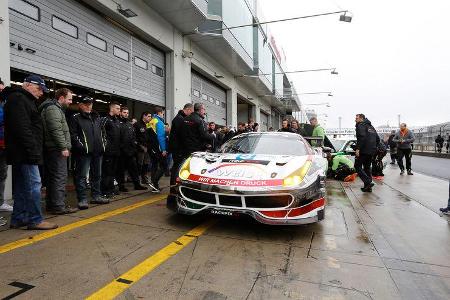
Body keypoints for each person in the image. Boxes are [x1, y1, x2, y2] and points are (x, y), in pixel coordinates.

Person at [4, 75, 57, 229]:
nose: (41, 92)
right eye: (39, 88)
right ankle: (35, 219)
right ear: (27, 85)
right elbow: (23, 129)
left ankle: (19, 218)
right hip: (26, 152)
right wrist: (33, 152)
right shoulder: (19, 99)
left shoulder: (23, 100)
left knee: (21, 186)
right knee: (35, 184)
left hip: (22, 152)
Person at [39, 88, 77, 215]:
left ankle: (52, 204)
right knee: (59, 177)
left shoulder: (55, 108)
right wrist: (63, 147)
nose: (71, 102)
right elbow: (56, 130)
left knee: (52, 177)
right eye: (69, 99)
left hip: (53, 148)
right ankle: (58, 206)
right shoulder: (53, 109)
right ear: (61, 98)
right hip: (56, 149)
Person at [69, 97, 109, 209]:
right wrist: (81, 147)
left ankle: (96, 196)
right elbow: (73, 135)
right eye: (86, 104)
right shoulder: (75, 118)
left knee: (97, 175)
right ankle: (82, 199)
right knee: (81, 176)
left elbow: (103, 133)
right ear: (80, 105)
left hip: (98, 152)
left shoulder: (97, 118)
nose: (88, 106)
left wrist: (103, 145)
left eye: (90, 104)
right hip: (83, 153)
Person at [117, 106, 147, 192]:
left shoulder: (129, 124)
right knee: (121, 170)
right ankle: (121, 186)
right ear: (120, 113)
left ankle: (137, 185)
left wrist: (134, 148)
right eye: (124, 112)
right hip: (122, 152)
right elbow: (117, 138)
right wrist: (122, 149)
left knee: (134, 169)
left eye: (127, 113)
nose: (126, 114)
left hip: (131, 152)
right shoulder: (118, 123)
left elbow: (134, 137)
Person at [168, 103, 193, 194]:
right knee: (176, 168)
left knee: (177, 167)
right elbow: (181, 135)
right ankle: (173, 188)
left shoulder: (181, 118)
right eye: (191, 111)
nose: (191, 114)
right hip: (178, 149)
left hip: (178, 148)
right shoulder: (179, 119)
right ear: (188, 109)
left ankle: (174, 187)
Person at [100, 101, 121, 197]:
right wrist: (105, 147)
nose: (119, 110)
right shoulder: (105, 119)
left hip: (116, 151)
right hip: (108, 151)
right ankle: (105, 191)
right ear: (112, 108)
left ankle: (111, 189)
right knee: (106, 172)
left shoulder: (117, 121)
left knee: (113, 172)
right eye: (117, 108)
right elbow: (100, 134)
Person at [354, 113, 379, 192]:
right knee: (367, 168)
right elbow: (377, 139)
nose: (355, 120)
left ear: (361, 118)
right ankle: (368, 187)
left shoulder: (360, 125)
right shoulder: (371, 127)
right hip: (371, 151)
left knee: (357, 166)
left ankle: (368, 182)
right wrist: (373, 147)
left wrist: (358, 149)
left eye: (357, 118)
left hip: (363, 150)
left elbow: (361, 137)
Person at [148, 107, 167, 192]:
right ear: (159, 113)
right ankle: (154, 182)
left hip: (151, 148)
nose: (163, 115)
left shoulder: (150, 121)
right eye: (163, 113)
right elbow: (161, 137)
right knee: (164, 166)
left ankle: (154, 187)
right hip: (158, 148)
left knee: (154, 166)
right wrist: (163, 149)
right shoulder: (159, 122)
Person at [0, 78, 12, 212]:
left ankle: (1, 202)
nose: (1, 92)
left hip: (3, 146)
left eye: (2, 90)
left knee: (2, 175)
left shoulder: (4, 103)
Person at [134, 111, 152, 184]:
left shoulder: (147, 125)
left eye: (150, 116)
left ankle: (144, 178)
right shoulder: (137, 125)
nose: (150, 118)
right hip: (140, 148)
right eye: (148, 116)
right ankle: (138, 180)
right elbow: (134, 137)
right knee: (139, 164)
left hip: (147, 147)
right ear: (144, 116)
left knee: (146, 164)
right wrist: (140, 146)